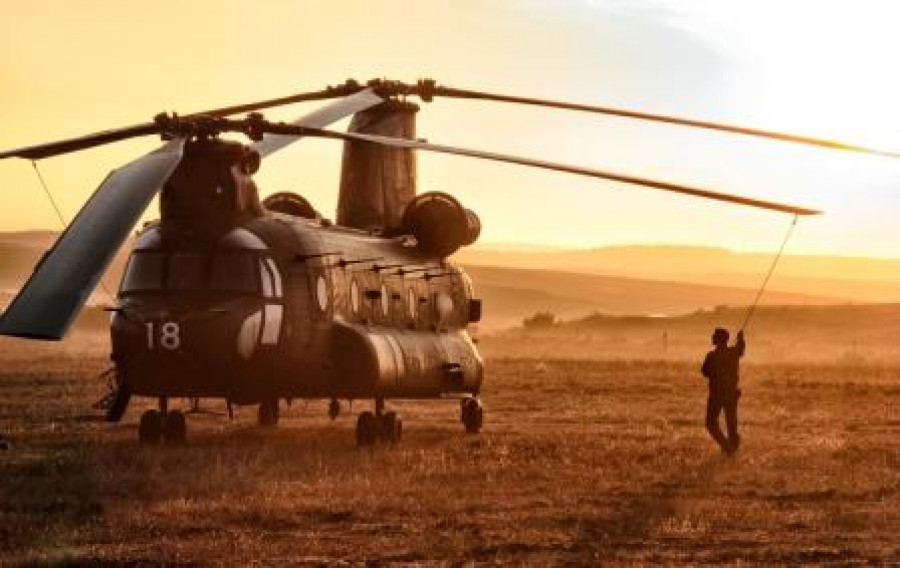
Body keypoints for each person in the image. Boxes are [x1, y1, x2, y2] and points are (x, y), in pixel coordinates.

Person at [701, 327, 745, 454]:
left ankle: (727, 447)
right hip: (731, 394)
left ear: (718, 339)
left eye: (715, 335)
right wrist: (741, 338)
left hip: (716, 395)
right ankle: (731, 450)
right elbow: (741, 349)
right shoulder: (733, 353)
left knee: (710, 424)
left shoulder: (711, 356)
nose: (712, 337)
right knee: (732, 426)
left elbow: (705, 372)